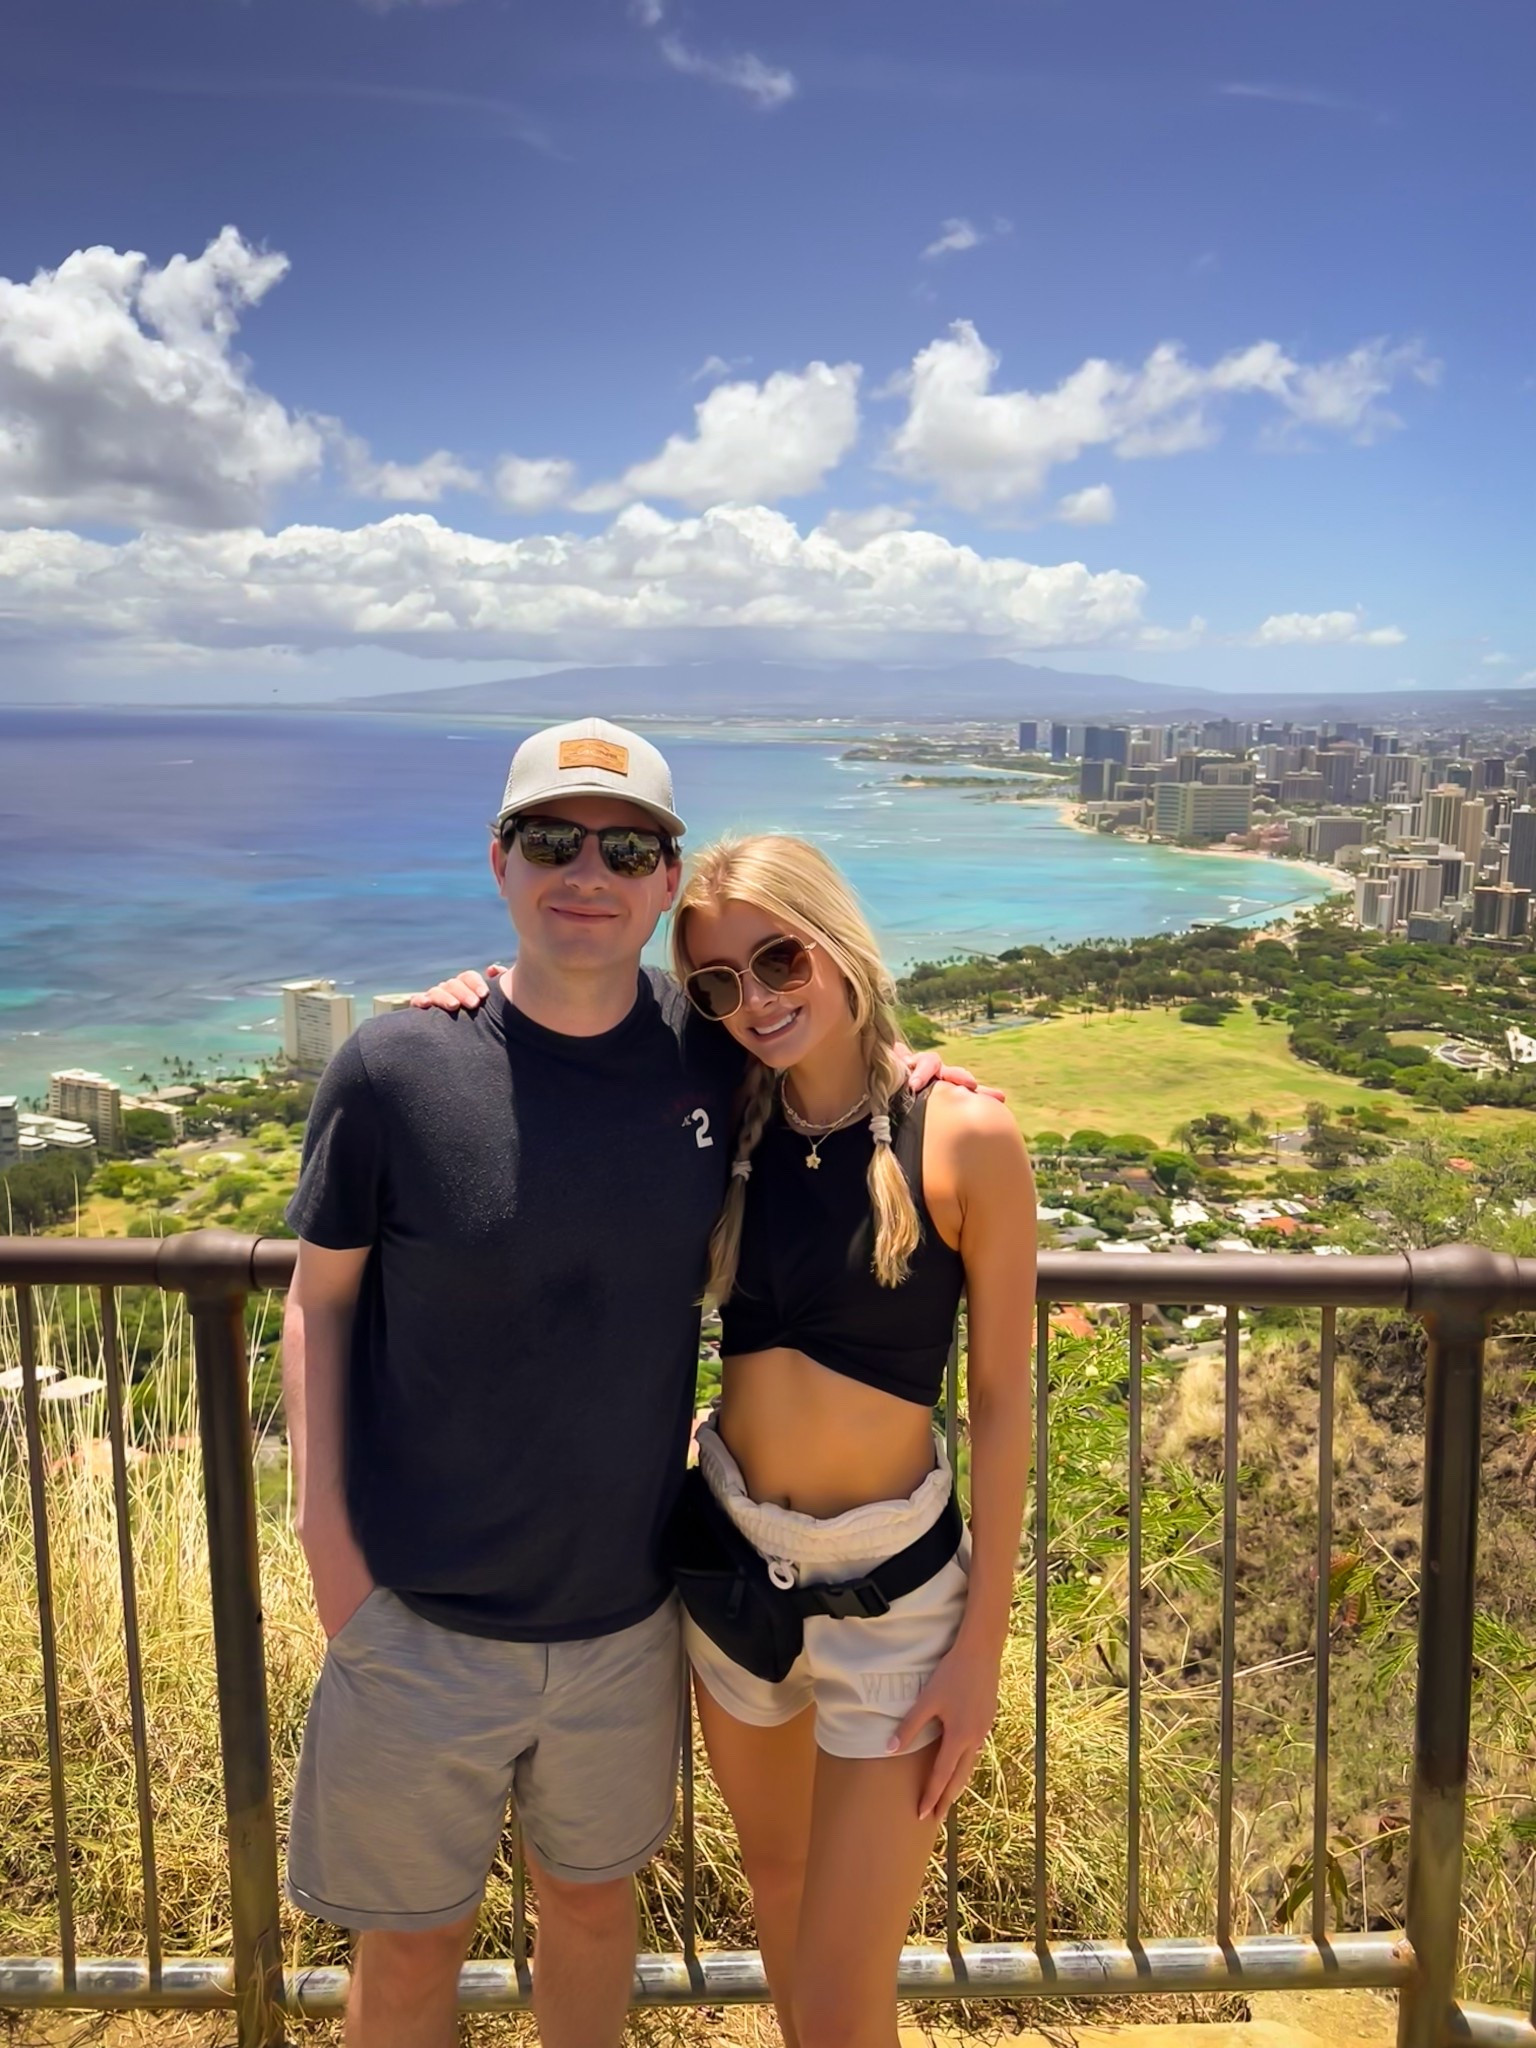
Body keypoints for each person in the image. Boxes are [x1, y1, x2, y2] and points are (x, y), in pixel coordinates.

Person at [282, 717, 970, 2048]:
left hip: (628, 1622)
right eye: (551, 838)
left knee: (593, 1920)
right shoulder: (396, 1068)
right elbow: (321, 1300)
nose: (583, 870)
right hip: (417, 1616)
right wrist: (330, 1555)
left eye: (625, 846)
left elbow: (823, 1052)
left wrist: (909, 1078)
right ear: (500, 862)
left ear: (664, 886)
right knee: (412, 1951)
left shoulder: (710, 1049)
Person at [426, 832, 1035, 2048]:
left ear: (837, 940)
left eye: (778, 957)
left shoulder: (962, 1135)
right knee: (780, 1899)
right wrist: (469, 997)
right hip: (730, 1568)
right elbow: (572, 1028)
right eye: (717, 982)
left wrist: (981, 1646)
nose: (753, 999)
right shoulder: (725, 1111)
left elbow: (1008, 1399)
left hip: (894, 1600)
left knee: (850, 1986)